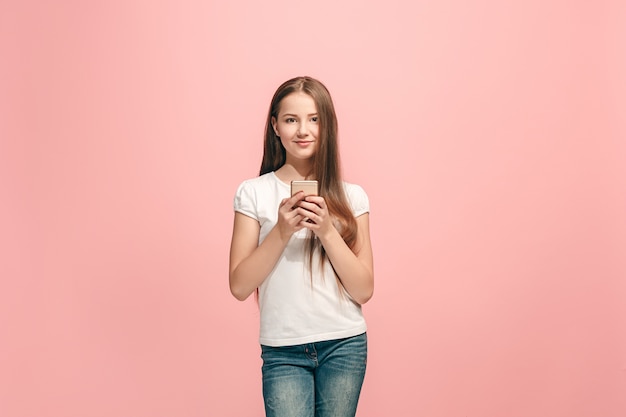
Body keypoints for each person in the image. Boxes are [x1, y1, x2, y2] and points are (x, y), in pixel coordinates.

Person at [229, 76, 374, 417]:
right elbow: (239, 285)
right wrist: (281, 231)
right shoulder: (253, 193)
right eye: (291, 119)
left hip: (344, 344)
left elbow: (364, 289)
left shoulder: (352, 196)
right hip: (283, 350)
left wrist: (326, 230)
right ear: (275, 126)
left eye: (314, 119)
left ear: (327, 126)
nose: (303, 130)